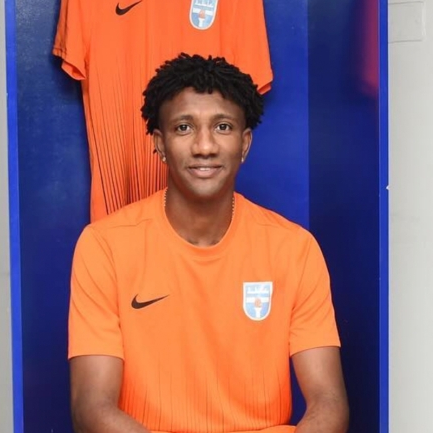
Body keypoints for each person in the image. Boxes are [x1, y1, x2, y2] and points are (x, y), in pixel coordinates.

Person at [68, 53, 349, 433]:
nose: (204, 146)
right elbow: (91, 406)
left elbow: (329, 402)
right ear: (160, 144)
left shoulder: (295, 249)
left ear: (244, 143)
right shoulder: (104, 246)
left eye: (223, 127)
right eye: (184, 127)